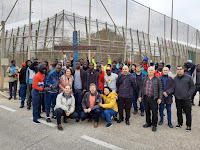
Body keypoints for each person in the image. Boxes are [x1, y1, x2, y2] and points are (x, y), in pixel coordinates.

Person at [138, 67, 163, 132]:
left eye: (152, 70)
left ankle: (154, 125)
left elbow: (160, 89)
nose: (150, 71)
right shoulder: (144, 79)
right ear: (147, 71)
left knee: (154, 112)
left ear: (154, 71)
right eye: (149, 70)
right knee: (147, 111)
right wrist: (140, 96)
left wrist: (160, 98)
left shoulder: (158, 79)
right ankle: (148, 122)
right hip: (146, 97)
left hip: (153, 98)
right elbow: (141, 88)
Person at [174, 65, 195, 131]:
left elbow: (192, 87)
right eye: (178, 69)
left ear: (183, 70)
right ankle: (180, 123)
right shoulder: (175, 78)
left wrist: (188, 95)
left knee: (187, 112)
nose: (179, 70)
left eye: (180, 69)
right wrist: (175, 94)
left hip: (186, 99)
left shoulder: (189, 78)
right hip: (178, 98)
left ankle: (188, 125)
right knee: (179, 112)